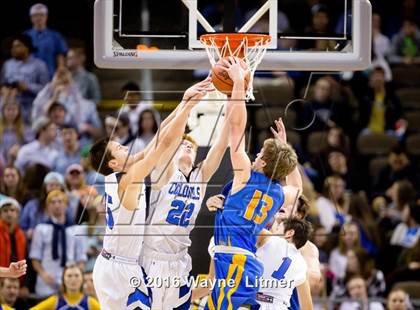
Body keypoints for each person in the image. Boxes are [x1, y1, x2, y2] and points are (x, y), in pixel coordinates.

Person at [90, 78, 211, 309]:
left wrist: (185, 103)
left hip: (127, 264)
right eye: (120, 148)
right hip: (115, 269)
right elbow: (163, 145)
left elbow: (158, 138)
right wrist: (186, 106)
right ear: (114, 163)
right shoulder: (129, 177)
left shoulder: (123, 172)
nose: (126, 147)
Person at [205, 58, 300, 310]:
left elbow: (236, 127)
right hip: (242, 261)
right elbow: (296, 187)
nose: (255, 154)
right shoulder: (280, 194)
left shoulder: (245, 174)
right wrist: (284, 148)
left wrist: (238, 82)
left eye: (260, 155)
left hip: (234, 261)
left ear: (264, 163)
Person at [140, 85, 228, 308]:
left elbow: (220, 146)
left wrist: (233, 101)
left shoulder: (200, 176)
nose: (188, 146)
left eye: (192, 146)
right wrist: (188, 104)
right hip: (153, 257)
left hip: (181, 260)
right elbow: (168, 139)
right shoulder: (165, 173)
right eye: (184, 144)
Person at [29, 190, 87, 298]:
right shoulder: (41, 229)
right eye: (53, 202)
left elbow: (81, 258)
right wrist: (43, 274)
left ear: (66, 205)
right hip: (46, 282)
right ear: (47, 206)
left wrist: (74, 278)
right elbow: (35, 257)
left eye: (60, 201)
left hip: (70, 283)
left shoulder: (76, 230)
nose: (57, 205)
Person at [253, 218, 313, 310]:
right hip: (281, 306)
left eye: (277, 229)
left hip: (258, 302)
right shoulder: (303, 265)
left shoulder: (270, 239)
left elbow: (247, 227)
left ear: (289, 233)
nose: (273, 232)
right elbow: (307, 307)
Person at [0, 34, 49, 123]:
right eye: (12, 47)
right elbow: (2, 83)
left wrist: (28, 87)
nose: (13, 50)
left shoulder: (40, 65)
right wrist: (4, 89)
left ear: (27, 48)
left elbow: (46, 90)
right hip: (9, 107)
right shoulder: (7, 64)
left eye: (17, 46)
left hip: (30, 107)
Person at [24, 3, 68, 77]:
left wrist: (61, 71)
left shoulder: (55, 36)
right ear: (31, 18)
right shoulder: (25, 36)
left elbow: (60, 55)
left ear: (46, 17)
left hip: (50, 75)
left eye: (41, 15)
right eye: (36, 15)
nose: (39, 18)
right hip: (29, 76)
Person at [30, 264, 100, 310]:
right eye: (69, 276)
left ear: (82, 279)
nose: (73, 279)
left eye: (76, 275)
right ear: (63, 279)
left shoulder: (90, 302)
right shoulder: (55, 301)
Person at [0, 100, 33, 165]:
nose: (11, 112)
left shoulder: (25, 129)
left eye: (14, 109)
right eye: (8, 109)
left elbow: (30, 147)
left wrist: (20, 150)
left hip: (18, 161)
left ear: (18, 112)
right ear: (3, 111)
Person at [0, 198, 26, 273]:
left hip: (17, 278)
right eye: (5, 210)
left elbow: (26, 259)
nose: (9, 213)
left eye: (12, 210)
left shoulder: (21, 234)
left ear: (18, 213)